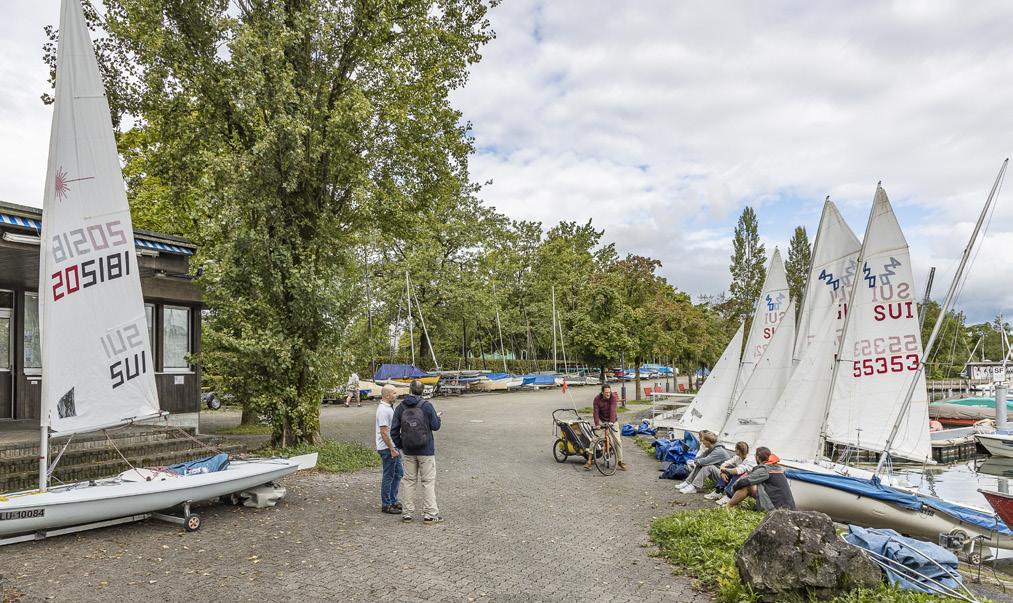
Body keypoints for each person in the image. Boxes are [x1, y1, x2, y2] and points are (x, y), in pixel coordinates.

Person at [391, 379, 443, 524]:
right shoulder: (427, 406)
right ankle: (430, 514)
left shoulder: (401, 407)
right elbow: (435, 426)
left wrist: (401, 445)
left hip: (408, 450)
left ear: (410, 389)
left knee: (408, 481)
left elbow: (393, 430)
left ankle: (407, 513)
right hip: (426, 450)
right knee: (428, 482)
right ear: (423, 391)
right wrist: (438, 418)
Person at [727, 446, 796, 511]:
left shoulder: (765, 469)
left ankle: (728, 506)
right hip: (787, 507)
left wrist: (733, 488)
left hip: (776, 508)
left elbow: (745, 481)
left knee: (748, 486)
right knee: (755, 484)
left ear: (757, 457)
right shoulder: (776, 467)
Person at [375, 384, 403, 514]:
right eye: (394, 393)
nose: (396, 395)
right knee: (389, 476)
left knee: (398, 473)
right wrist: (391, 448)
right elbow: (384, 432)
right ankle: (386, 504)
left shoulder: (389, 408)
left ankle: (393, 500)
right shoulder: (383, 410)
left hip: (392, 446)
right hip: (387, 448)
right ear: (387, 395)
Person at [584, 384, 626, 471]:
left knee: (618, 441)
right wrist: (597, 424)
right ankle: (589, 461)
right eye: (606, 392)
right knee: (594, 439)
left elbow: (613, 410)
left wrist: (611, 422)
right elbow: (595, 412)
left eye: (609, 392)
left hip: (613, 421)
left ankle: (620, 461)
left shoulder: (613, 398)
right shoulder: (597, 399)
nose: (608, 394)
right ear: (602, 392)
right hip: (602, 421)